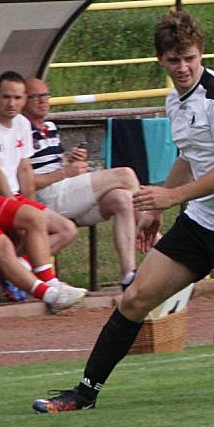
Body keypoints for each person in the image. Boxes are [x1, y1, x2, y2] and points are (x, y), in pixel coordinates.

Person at [32, 10, 214, 414]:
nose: (182, 67)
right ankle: (84, 394)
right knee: (134, 299)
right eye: (173, 60)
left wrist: (172, 197)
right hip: (203, 221)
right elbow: (190, 156)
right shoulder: (176, 99)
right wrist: (161, 207)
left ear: (200, 52)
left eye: (188, 57)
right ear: (160, 61)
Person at [23, 77, 139, 289]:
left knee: (122, 199)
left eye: (46, 95)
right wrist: (65, 172)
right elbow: (25, 181)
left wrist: (69, 159)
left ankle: (129, 275)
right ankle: (154, 236)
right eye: (35, 97)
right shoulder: (21, 129)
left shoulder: (49, 126)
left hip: (64, 194)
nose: (43, 101)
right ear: (23, 101)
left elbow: (51, 165)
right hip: (46, 197)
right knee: (125, 175)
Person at [0, 71, 77, 254]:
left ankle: (21, 272)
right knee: (122, 177)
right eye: (6, 97)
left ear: (23, 99)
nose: (11, 103)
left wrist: (28, 203)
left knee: (67, 229)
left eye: (16, 98)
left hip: (18, 195)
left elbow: (24, 169)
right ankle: (33, 278)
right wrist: (17, 207)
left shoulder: (23, 123)